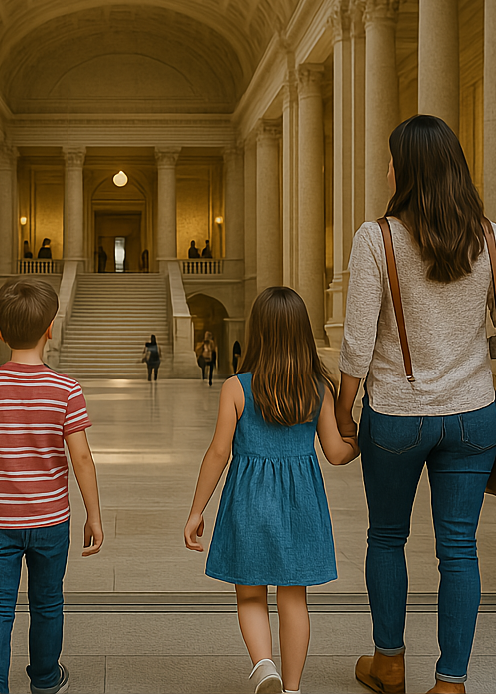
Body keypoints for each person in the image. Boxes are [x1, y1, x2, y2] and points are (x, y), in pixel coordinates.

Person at [336, 115, 496, 694]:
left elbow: (357, 343)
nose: (387, 168)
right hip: (472, 417)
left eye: (392, 159)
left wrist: (345, 413)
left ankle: (389, 662)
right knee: (459, 549)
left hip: (396, 413)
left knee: (387, 537)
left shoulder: (377, 238)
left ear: (410, 169)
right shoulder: (489, 237)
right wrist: (470, 350)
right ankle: (450, 682)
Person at [185, 287, 359, 694]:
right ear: (302, 333)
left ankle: (265, 667)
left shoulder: (236, 387)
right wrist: (360, 440)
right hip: (301, 503)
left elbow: (217, 453)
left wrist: (197, 511)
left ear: (257, 332)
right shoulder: (318, 388)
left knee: (249, 596)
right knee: (293, 598)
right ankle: (293, 689)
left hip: (248, 500)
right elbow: (335, 453)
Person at [0, 278, 104, 694]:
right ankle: (46, 679)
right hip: (51, 518)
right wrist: (94, 515)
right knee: (47, 602)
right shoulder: (66, 389)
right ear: (51, 328)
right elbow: (82, 458)